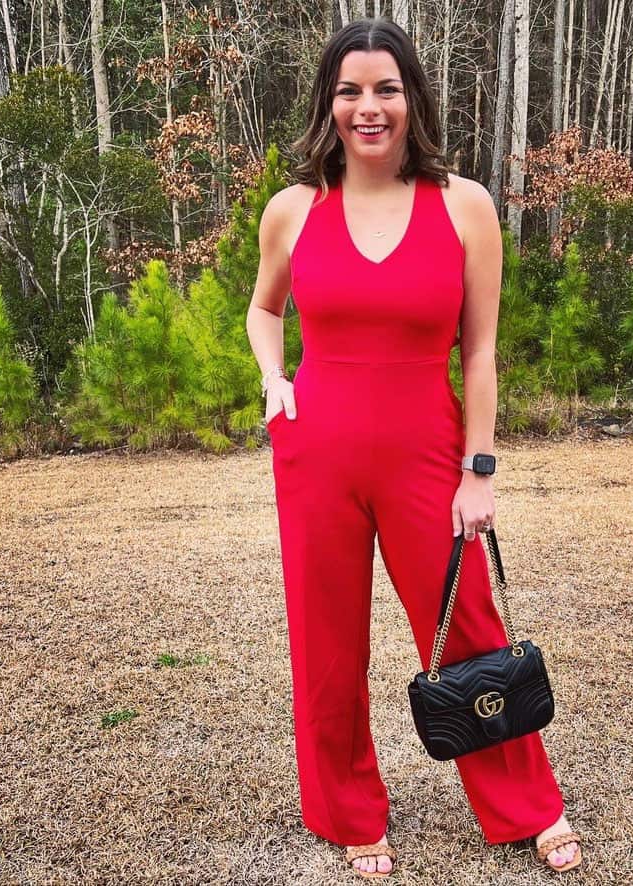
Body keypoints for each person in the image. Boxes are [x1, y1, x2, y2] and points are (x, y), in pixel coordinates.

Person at [246, 17, 583, 879]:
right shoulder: (293, 209)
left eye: (385, 89)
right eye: (351, 89)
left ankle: (526, 807)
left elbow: (479, 350)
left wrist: (481, 469)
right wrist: (273, 378)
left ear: (411, 99)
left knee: (472, 627)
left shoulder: (463, 205)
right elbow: (264, 308)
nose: (369, 106)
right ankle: (349, 812)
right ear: (330, 100)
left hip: (429, 455)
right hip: (314, 454)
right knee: (326, 644)